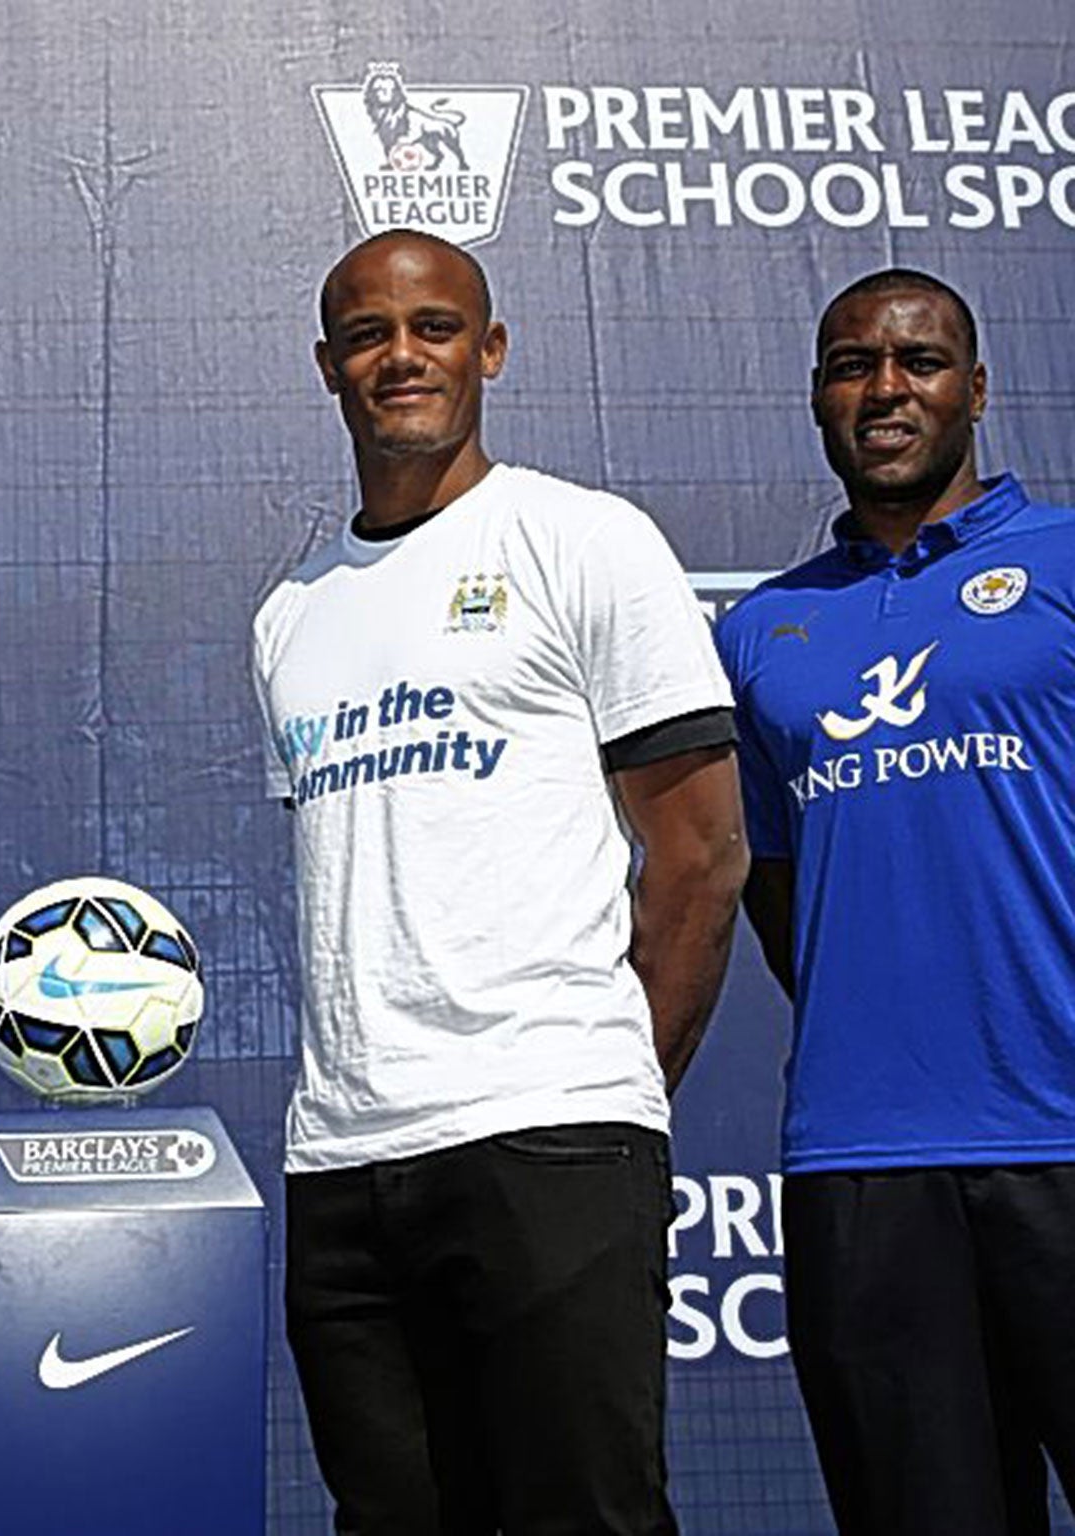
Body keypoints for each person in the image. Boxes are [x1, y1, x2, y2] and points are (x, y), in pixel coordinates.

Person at [253, 229, 747, 1534]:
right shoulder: (289, 614)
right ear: (327, 366)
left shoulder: (583, 542)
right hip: (347, 1156)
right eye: (367, 334)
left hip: (550, 1137)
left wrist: (602, 1094)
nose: (400, 356)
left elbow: (702, 856)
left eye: (433, 328)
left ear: (492, 349)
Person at [716, 270, 1075, 1535]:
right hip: (864, 1163)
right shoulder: (761, 630)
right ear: (817, 397)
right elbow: (763, 878)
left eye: (917, 362)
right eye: (849, 364)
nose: (884, 389)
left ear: (974, 390)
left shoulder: (1063, 562)